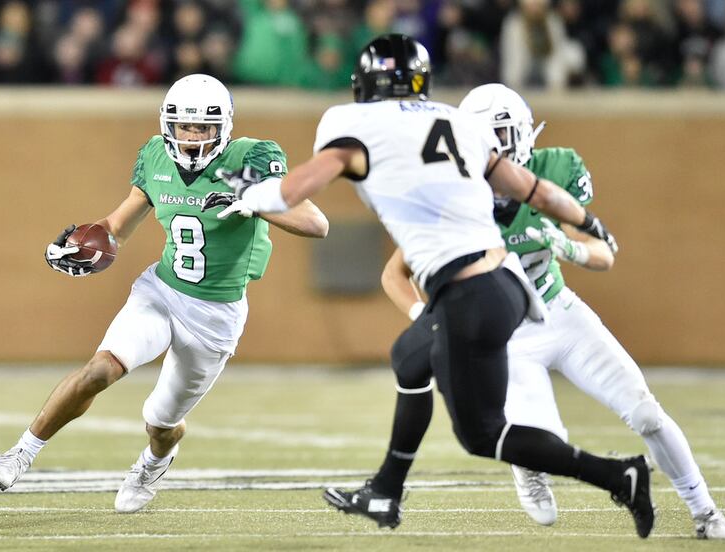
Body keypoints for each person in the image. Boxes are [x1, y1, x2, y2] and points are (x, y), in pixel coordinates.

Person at [209, 34, 655, 538]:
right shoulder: (458, 123)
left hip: (470, 294)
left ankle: (619, 476)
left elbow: (297, 188)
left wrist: (253, 191)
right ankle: (386, 491)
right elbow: (533, 190)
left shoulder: (353, 125)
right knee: (410, 355)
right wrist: (590, 223)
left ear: (365, 84)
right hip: (501, 283)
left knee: (483, 435)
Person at [325, 82, 725, 540]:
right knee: (543, 440)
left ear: (523, 132)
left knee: (646, 413)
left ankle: (705, 511)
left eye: (502, 134)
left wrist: (568, 246)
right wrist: (426, 319)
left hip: (561, 313)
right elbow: (394, 273)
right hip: (506, 338)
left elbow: (603, 253)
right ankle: (526, 465)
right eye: (487, 136)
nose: (497, 146)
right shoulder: (455, 189)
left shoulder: (553, 171)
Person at [0, 74, 329, 513]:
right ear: (169, 125)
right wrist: (80, 245)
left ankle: (153, 462)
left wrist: (259, 198)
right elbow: (118, 227)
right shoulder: (154, 157)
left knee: (162, 423)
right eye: (185, 126)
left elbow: (317, 224)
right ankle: (21, 452)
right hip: (161, 291)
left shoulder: (251, 159)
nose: (193, 136)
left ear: (224, 127)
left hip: (215, 315)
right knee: (100, 370)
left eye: (203, 127)